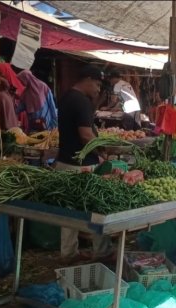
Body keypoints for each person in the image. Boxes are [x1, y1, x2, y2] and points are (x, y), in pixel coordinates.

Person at [55, 65, 111, 261]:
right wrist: (101, 152)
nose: (97, 89)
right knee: (97, 208)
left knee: (68, 212)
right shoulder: (81, 101)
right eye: (96, 84)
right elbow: (86, 135)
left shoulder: (67, 97)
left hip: (64, 162)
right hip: (82, 166)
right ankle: (101, 251)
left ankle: (68, 253)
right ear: (87, 79)